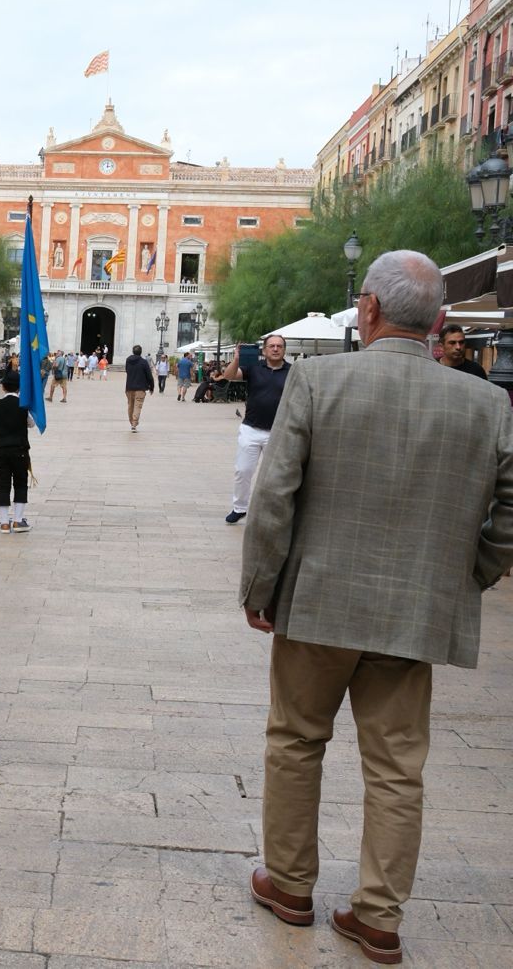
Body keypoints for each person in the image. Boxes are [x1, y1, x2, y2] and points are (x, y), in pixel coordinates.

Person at [239, 250, 513, 965]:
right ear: (441, 321)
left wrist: (261, 587)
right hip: (413, 614)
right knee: (397, 767)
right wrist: (469, 573)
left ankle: (291, 885)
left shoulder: (318, 379)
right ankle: (378, 915)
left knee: (296, 740)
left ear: (367, 309)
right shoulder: (487, 403)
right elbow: (510, 508)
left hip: (319, 603)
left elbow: (274, 497)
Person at [220, 334, 291, 524]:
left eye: (279, 346)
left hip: (278, 431)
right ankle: (239, 507)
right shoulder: (253, 368)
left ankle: (274, 511)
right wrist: (236, 359)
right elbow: (228, 376)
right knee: (243, 470)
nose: (275, 349)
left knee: (276, 474)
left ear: (284, 350)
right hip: (251, 428)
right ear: (265, 350)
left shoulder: (293, 372)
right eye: (271, 346)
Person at [0, 370, 31, 533]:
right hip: (20, 450)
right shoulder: (24, 405)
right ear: (19, 388)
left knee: (2, 484)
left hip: (1, 450)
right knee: (20, 483)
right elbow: (32, 423)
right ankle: (18, 521)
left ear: (3, 387)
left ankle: (4, 522)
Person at [124, 344, 155, 431]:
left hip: (129, 387)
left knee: (130, 405)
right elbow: (149, 375)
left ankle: (132, 422)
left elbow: (127, 370)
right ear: (141, 352)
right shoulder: (143, 362)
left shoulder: (128, 360)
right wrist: (151, 387)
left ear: (133, 351)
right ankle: (134, 423)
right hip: (140, 388)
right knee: (137, 406)